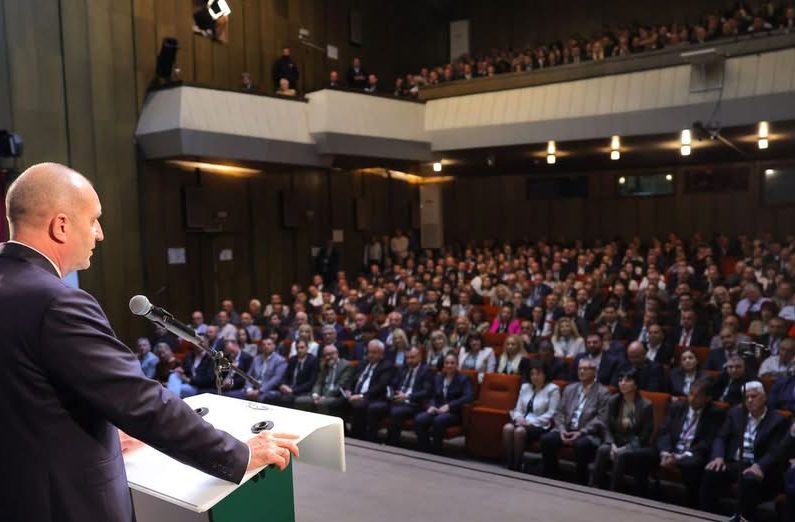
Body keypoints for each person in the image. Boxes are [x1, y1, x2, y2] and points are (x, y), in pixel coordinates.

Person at [0, 163, 298, 522]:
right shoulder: (58, 303)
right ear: (61, 226)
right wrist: (239, 454)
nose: (100, 234)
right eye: (93, 220)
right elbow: (140, 401)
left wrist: (99, 430)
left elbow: (27, 398)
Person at [700, 381, 789, 519]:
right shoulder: (735, 413)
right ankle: (706, 516)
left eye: (754, 396)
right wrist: (718, 457)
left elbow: (776, 450)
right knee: (712, 472)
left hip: (759, 466)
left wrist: (760, 465)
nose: (750, 400)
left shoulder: (777, 420)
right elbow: (721, 437)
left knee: (749, 481)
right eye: (746, 397)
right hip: (736, 463)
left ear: (764, 397)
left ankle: (742, 518)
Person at [540, 358, 610, 484]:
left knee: (581, 445)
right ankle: (551, 476)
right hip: (566, 429)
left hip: (587, 433)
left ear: (595, 372)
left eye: (585, 369)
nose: (581, 371)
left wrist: (581, 432)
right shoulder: (570, 389)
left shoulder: (603, 392)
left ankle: (580, 481)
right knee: (547, 440)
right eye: (580, 369)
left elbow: (601, 418)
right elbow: (559, 412)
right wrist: (561, 429)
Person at [655, 377, 722, 507]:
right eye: (691, 394)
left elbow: (706, 443)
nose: (692, 399)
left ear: (707, 398)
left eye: (697, 396)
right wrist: (665, 452)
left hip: (691, 454)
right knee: (644, 455)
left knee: (695, 466)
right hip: (671, 450)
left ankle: (690, 508)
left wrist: (680, 457)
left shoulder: (715, 414)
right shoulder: (677, 407)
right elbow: (664, 431)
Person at [591, 368, 655, 494]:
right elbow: (606, 427)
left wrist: (625, 448)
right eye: (620, 380)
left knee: (621, 455)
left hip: (635, 444)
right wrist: (611, 444)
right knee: (603, 449)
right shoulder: (613, 401)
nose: (623, 383)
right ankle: (593, 486)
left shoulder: (646, 405)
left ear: (636, 385)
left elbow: (644, 435)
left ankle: (614, 491)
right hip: (615, 442)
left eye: (627, 380)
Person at [502, 360, 560, 471]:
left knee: (519, 431)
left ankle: (517, 465)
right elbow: (518, 408)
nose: (535, 377)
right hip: (523, 421)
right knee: (507, 428)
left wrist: (531, 422)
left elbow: (551, 413)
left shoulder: (553, 389)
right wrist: (518, 417)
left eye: (538, 374)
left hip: (540, 425)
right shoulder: (525, 387)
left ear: (545, 374)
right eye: (532, 374)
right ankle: (510, 463)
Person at [415, 353, 473, 453]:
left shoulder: (463, 379)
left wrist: (449, 406)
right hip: (437, 409)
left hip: (453, 412)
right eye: (447, 363)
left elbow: (468, 397)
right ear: (444, 365)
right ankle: (424, 448)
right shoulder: (438, 378)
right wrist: (431, 406)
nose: (449, 365)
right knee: (420, 419)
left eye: (452, 363)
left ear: (457, 365)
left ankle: (436, 450)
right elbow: (432, 395)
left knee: (438, 420)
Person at [294, 344, 354, 417]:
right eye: (325, 355)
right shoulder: (323, 365)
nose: (327, 357)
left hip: (336, 396)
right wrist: (316, 394)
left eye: (330, 354)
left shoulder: (346, 365)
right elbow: (318, 383)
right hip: (320, 395)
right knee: (299, 400)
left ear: (337, 353)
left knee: (321, 403)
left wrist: (325, 396)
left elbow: (340, 385)